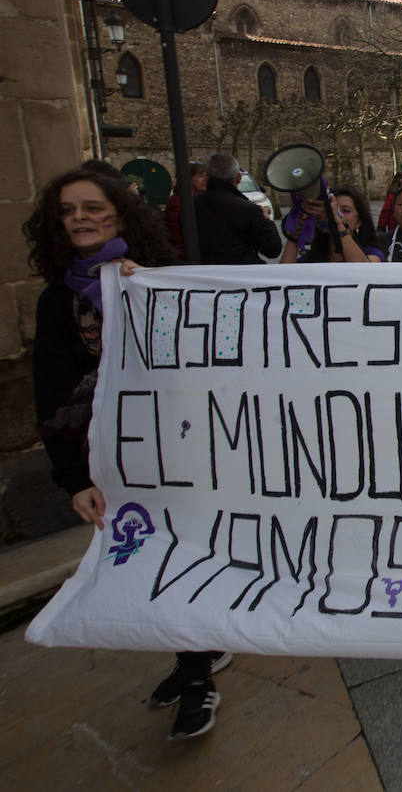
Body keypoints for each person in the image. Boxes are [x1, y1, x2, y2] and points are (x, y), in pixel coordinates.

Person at [24, 160, 231, 740]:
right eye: (67, 211)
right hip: (112, 459)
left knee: (181, 552)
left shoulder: (156, 279)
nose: (79, 219)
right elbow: (53, 391)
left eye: (91, 207)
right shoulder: (55, 302)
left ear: (119, 212)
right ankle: (197, 651)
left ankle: (196, 678)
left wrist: (149, 299)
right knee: (146, 555)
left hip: (177, 447)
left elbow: (201, 356)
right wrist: (73, 479)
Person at [194, 153, 282, 264]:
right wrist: (267, 221)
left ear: (207, 176)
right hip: (242, 274)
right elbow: (273, 250)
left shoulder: (191, 205)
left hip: (200, 274)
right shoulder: (249, 210)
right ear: (239, 178)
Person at [281, 188, 383, 263]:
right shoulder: (312, 259)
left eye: (345, 210)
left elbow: (364, 270)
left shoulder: (372, 252)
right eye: (333, 210)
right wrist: (295, 235)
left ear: (359, 222)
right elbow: (282, 278)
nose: (338, 214)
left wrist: (336, 222)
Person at [163, 160, 207, 257]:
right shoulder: (178, 201)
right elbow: (178, 235)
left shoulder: (199, 198)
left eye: (206, 176)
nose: (205, 180)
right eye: (200, 176)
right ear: (188, 178)